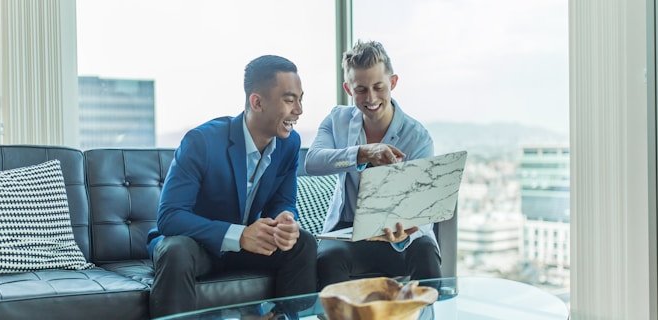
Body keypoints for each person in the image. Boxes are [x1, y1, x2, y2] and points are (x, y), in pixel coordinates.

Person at [146, 55, 317, 317]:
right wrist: (239, 235)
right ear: (257, 102)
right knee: (176, 251)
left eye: (300, 98)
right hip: (197, 245)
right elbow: (170, 217)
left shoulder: (289, 144)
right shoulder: (201, 142)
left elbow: (283, 201)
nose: (299, 110)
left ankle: (282, 316)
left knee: (302, 242)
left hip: (245, 246)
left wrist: (285, 220)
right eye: (289, 99)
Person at [305, 40, 442, 289]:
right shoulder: (337, 120)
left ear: (393, 82)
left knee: (425, 251)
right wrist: (362, 153)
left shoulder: (417, 137)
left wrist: (404, 232)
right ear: (348, 88)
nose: (371, 98)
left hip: (399, 234)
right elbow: (312, 162)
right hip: (348, 232)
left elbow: (424, 209)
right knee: (328, 258)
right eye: (361, 90)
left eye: (379, 87)